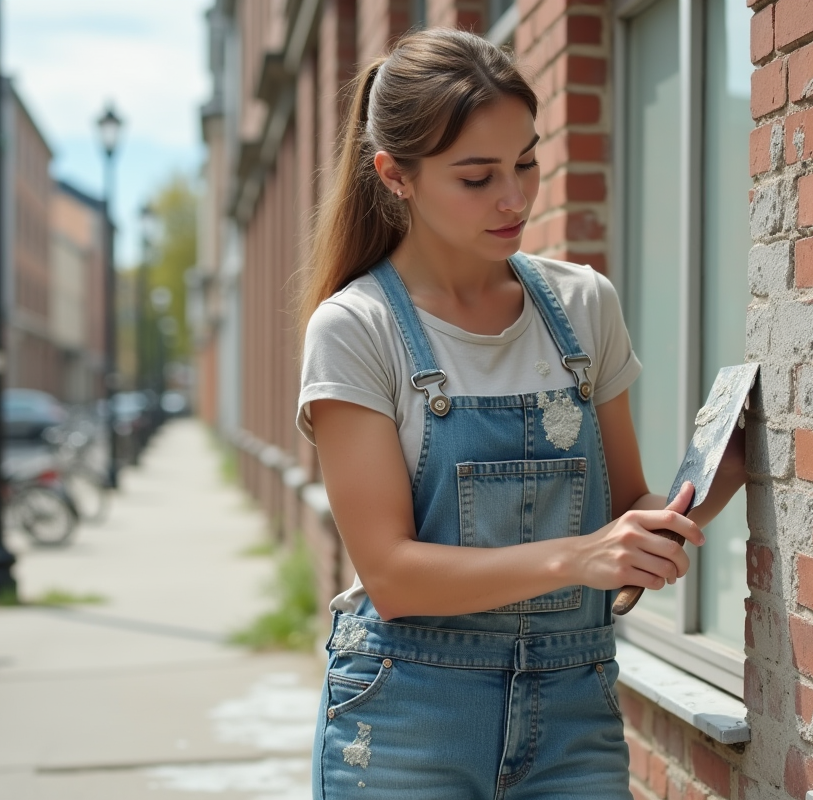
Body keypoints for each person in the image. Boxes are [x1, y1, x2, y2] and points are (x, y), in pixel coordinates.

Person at [296, 27, 745, 799]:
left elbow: (622, 511)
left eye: (527, 161)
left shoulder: (582, 306)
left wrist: (710, 485)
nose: (515, 198)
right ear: (394, 176)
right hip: (409, 721)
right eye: (477, 177)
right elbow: (392, 575)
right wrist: (580, 558)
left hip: (576, 710)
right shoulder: (356, 329)